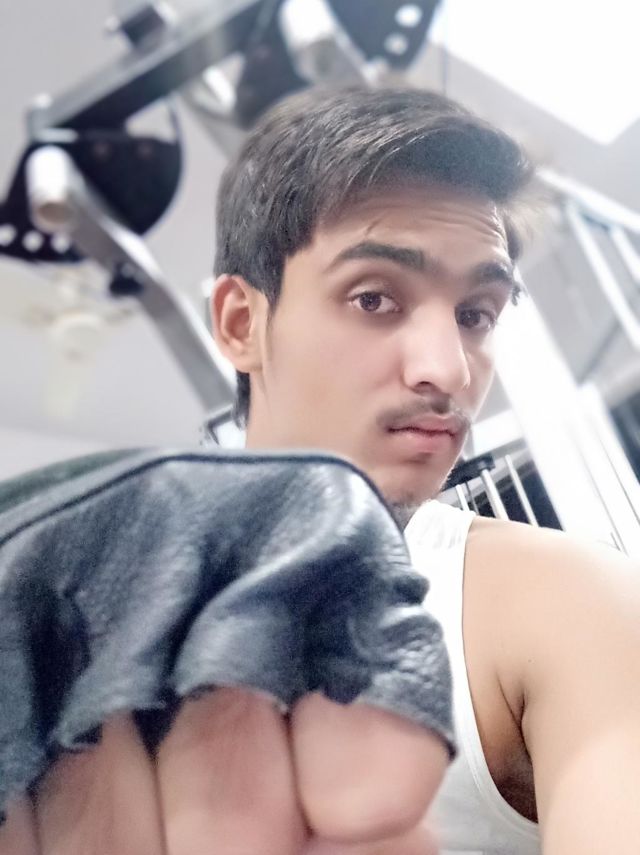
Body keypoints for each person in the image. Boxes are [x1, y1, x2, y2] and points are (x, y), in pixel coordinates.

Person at [2, 85, 638, 855]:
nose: (448, 370)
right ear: (242, 323)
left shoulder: (567, 599)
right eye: (375, 299)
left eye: (476, 313)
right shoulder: (98, 619)